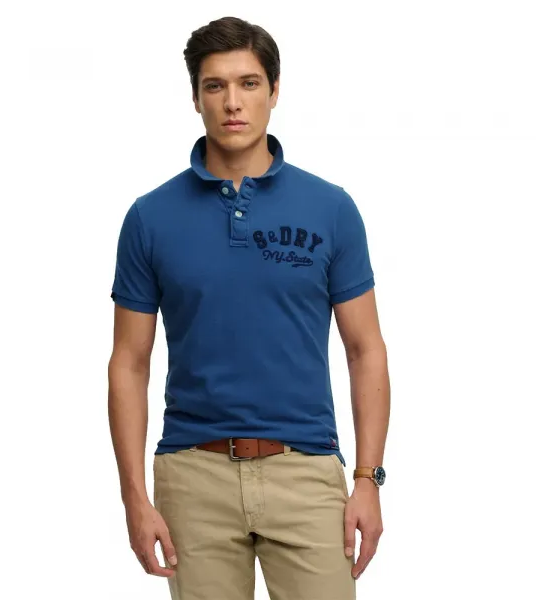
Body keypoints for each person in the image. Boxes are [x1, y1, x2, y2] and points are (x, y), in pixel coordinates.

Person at [108, 15, 390, 600]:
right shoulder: (149, 218)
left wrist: (368, 478)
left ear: (274, 90)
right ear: (195, 98)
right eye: (215, 86)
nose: (232, 102)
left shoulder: (331, 209)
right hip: (192, 475)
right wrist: (134, 496)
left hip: (306, 470)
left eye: (249, 83)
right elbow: (129, 363)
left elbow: (365, 349)